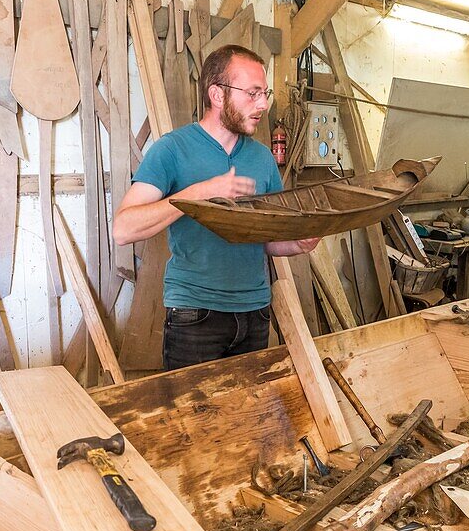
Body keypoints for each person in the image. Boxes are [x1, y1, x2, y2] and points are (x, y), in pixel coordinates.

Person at [113, 44, 319, 370]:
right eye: (252, 93)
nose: (263, 104)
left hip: (255, 313)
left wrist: (298, 243)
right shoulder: (172, 149)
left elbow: (268, 239)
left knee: (246, 417)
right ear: (218, 95)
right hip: (195, 315)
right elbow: (124, 229)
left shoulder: (262, 159)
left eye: (264, 93)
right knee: (192, 419)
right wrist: (200, 192)